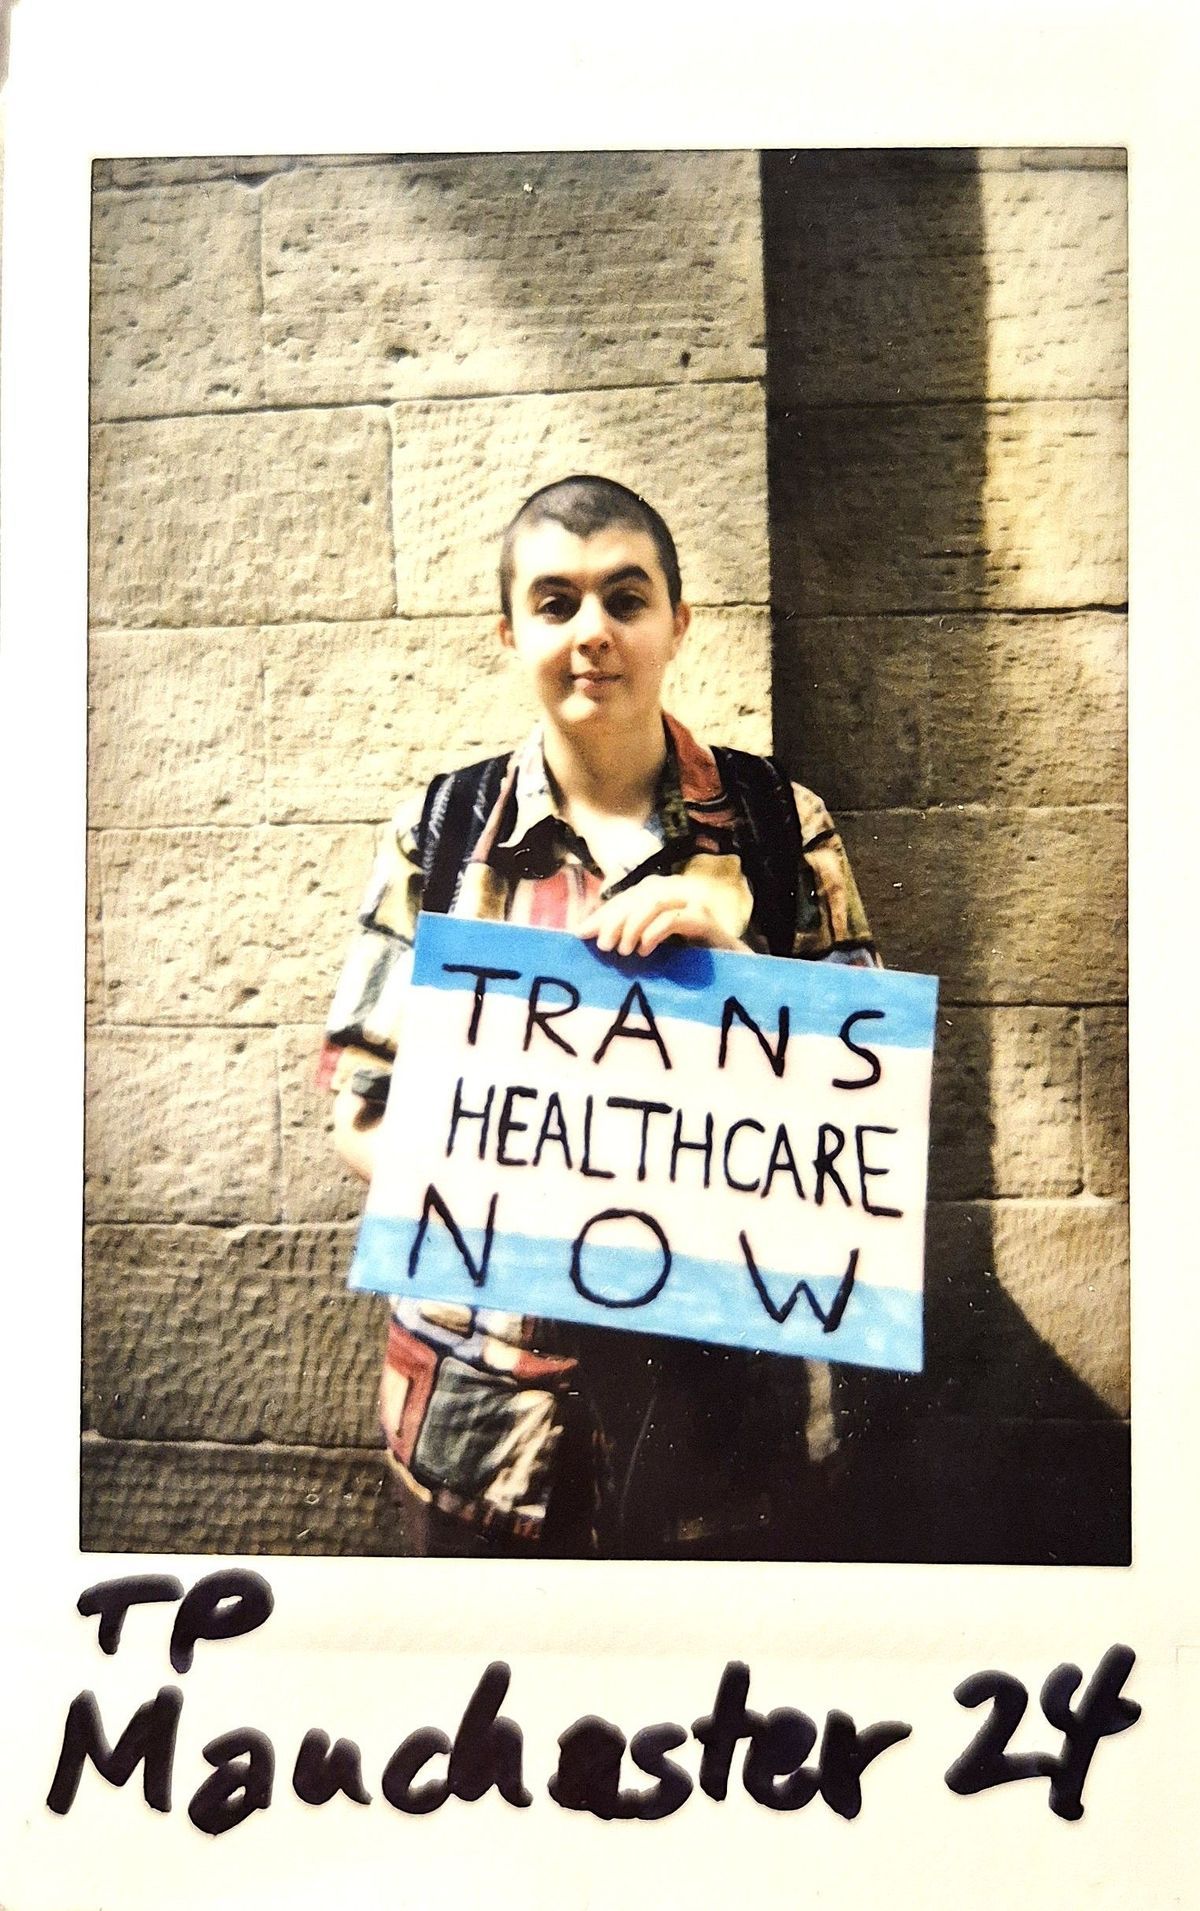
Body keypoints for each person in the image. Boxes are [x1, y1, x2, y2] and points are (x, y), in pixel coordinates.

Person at [319, 475, 878, 1559]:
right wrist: (541, 1202)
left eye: (626, 599)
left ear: (677, 621)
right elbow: (360, 1101)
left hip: (724, 1422)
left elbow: (863, 1124)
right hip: (482, 1425)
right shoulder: (440, 833)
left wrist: (740, 969)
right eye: (557, 602)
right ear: (510, 630)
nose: (594, 634)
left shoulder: (778, 825)